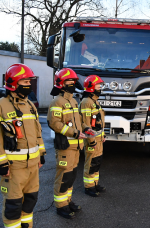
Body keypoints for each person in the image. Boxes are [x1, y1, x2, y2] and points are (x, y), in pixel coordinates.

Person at [0, 63, 46, 228]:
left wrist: (41, 154)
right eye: (25, 82)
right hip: (14, 168)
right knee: (13, 206)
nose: (29, 85)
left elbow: (38, 132)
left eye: (29, 82)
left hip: (33, 165)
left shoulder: (30, 106)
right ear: (14, 83)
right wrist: (0, 164)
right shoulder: (0, 106)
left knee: (30, 202)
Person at [47, 68, 87, 219]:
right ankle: (60, 206)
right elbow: (55, 123)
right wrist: (74, 133)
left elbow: (78, 122)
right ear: (61, 83)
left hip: (76, 146)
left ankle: (67, 201)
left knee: (70, 176)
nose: (72, 83)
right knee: (63, 177)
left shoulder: (73, 101)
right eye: (69, 81)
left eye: (73, 81)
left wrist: (85, 128)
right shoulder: (57, 101)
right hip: (66, 147)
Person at [79, 75, 107, 197]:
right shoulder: (86, 102)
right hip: (92, 140)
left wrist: (103, 135)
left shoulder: (94, 102)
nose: (100, 87)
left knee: (97, 162)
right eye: (98, 85)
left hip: (98, 138)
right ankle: (89, 187)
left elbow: (98, 122)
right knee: (90, 163)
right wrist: (91, 140)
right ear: (91, 87)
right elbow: (85, 123)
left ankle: (95, 183)